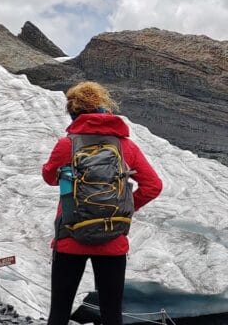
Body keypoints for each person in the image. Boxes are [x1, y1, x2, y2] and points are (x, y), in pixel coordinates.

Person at [42, 81, 163, 325]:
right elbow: (153, 185)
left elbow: (48, 177)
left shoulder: (68, 144)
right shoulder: (125, 146)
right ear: (102, 108)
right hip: (112, 238)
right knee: (111, 313)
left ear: (74, 112)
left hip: (70, 235)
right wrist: (123, 208)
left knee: (60, 312)